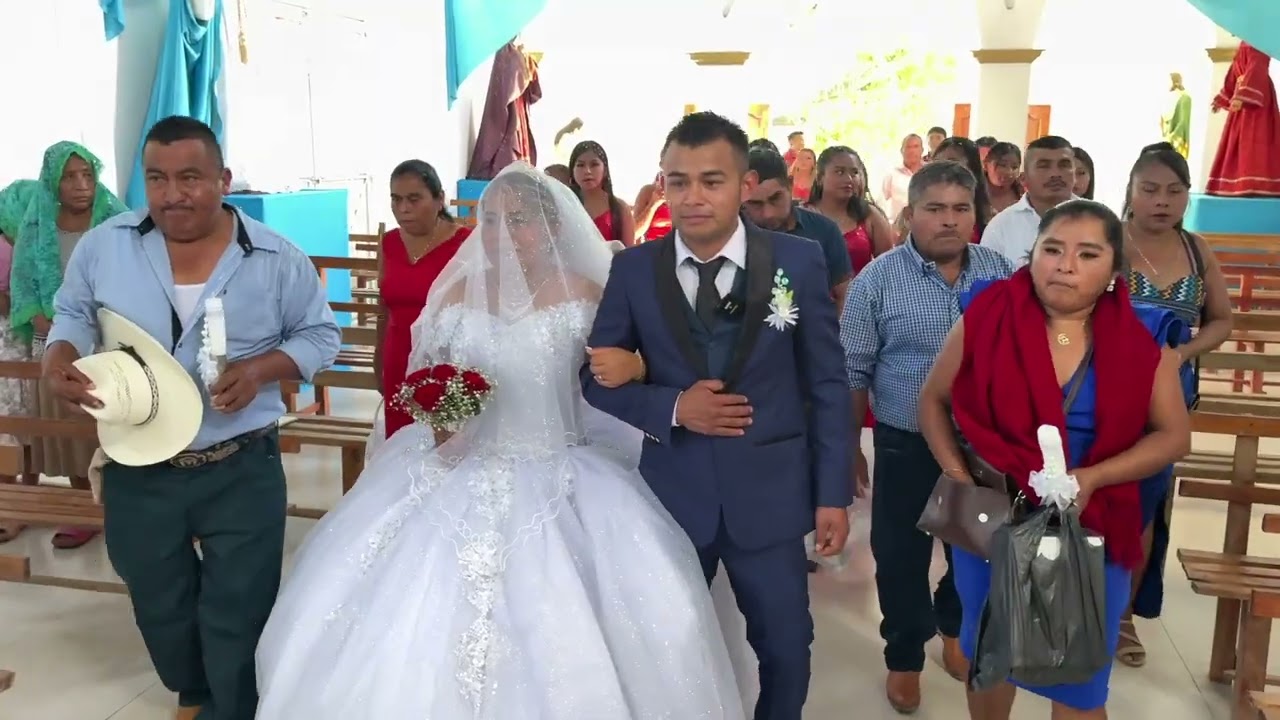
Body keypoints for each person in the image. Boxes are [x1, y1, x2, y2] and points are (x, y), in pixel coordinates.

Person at [255, 162, 744, 719]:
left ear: (553, 226)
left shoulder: (588, 294)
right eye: (490, 220)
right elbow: (431, 373)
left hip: (560, 462)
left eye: (520, 219)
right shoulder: (456, 293)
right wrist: (442, 414)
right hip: (460, 460)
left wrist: (636, 367)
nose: (504, 233)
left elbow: (630, 371)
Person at [42, 115, 341, 720]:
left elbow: (320, 336)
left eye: (190, 178)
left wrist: (261, 370)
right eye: (157, 178)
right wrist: (58, 355)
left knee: (239, 604)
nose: (172, 194)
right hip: (138, 461)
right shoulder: (107, 245)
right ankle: (195, 689)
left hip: (239, 461)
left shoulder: (275, 258)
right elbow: (72, 311)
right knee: (158, 597)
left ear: (223, 180)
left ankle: (232, 707)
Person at [582, 111, 852, 720]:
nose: (693, 197)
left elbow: (827, 383)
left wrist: (832, 493)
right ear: (662, 184)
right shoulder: (634, 269)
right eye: (678, 182)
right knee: (665, 645)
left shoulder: (798, 261)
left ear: (744, 184)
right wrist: (675, 406)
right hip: (673, 492)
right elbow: (595, 378)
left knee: (787, 647)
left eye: (712, 180)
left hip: (770, 491)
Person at [917, 199, 1192, 719]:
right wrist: (960, 478)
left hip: (1093, 522)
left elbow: (1174, 437)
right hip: (992, 516)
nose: (1065, 265)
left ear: (1114, 271)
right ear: (1032, 254)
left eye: (1087, 254)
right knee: (990, 651)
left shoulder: (1143, 337)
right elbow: (933, 399)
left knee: (1078, 675)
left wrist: (1095, 477)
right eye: (1052, 249)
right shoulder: (988, 313)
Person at [839, 161, 1013, 714]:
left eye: (961, 208)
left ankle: (954, 629)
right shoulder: (878, 281)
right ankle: (905, 657)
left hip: (981, 444)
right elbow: (854, 372)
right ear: (910, 214)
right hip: (906, 441)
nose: (949, 220)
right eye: (935, 209)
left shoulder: (1001, 273)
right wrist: (850, 448)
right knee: (900, 555)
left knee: (974, 547)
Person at [1115, 143, 1233, 667]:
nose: (1162, 201)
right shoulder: (1107, 238)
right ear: (1131, 191)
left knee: (1145, 503)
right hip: (1103, 390)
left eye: (1174, 191)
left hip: (1168, 400)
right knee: (1090, 495)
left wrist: (1181, 353)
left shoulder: (1196, 249)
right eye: (1150, 189)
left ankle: (1121, 615)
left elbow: (1222, 320)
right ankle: (1073, 603)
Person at [0, 141, 127, 548]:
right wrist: (52, 327)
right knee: (70, 430)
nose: (81, 184)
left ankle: (124, 506)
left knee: (113, 426)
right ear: (53, 182)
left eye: (87, 175)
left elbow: (136, 276)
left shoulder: (115, 220)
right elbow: (24, 285)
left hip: (111, 340)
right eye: (69, 177)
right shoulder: (38, 226)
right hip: (56, 342)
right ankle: (83, 505)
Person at [378, 160, 471, 440]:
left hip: (444, 360)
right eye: (396, 199)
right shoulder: (389, 243)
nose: (403, 208)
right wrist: (378, 357)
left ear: (439, 199)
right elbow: (383, 308)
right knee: (400, 440)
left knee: (440, 443)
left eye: (414, 199)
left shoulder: (466, 243)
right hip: (397, 356)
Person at [742, 148, 853, 302]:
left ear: (790, 184)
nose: (768, 213)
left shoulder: (825, 231)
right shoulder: (731, 236)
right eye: (755, 204)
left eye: (775, 198)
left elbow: (845, 296)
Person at [982, 135, 1076, 268]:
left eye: (1064, 165)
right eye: (1044, 166)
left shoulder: (1097, 220)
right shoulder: (1000, 227)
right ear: (1023, 178)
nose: (1055, 174)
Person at [1205, 41, 1280, 197]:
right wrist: (1224, 97)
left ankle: (1255, 182)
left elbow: (1257, 67)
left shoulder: (1256, 42)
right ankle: (1238, 182)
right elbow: (1234, 72)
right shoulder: (1243, 45)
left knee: (1255, 136)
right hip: (1242, 92)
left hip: (1256, 96)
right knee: (1238, 138)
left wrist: (1244, 94)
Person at [569, 140, 635, 244]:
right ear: (572, 171)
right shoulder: (565, 205)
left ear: (605, 171)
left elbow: (629, 251)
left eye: (594, 164)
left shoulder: (620, 208)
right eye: (580, 165)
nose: (587, 171)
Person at [931, 137, 992, 241]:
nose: (942, 169)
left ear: (971, 167)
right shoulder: (919, 208)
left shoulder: (989, 216)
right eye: (937, 162)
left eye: (951, 162)